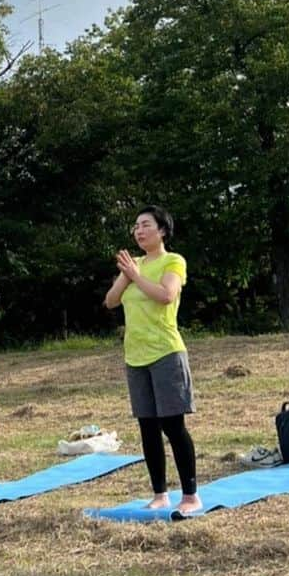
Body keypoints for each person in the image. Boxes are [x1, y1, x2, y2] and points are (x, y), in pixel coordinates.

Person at [105, 206, 199, 513]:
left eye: (145, 225)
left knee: (172, 425)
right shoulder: (135, 264)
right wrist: (127, 274)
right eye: (136, 226)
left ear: (162, 230)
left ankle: (190, 496)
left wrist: (135, 275)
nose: (138, 230)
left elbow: (166, 295)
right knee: (147, 427)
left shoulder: (174, 261)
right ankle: (160, 494)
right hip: (136, 355)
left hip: (166, 351)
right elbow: (110, 301)